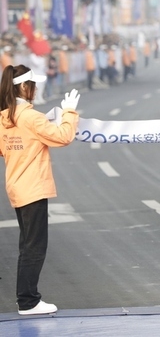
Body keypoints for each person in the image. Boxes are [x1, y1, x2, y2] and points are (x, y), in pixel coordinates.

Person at [0, 65, 80, 315]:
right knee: (34, 247)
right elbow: (63, 137)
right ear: (24, 87)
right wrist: (69, 113)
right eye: (34, 85)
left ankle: (27, 299)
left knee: (27, 245)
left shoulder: (5, 117)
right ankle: (28, 301)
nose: (36, 89)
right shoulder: (30, 117)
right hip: (33, 187)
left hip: (17, 186)